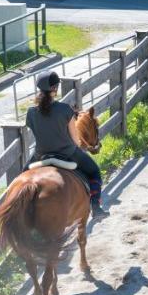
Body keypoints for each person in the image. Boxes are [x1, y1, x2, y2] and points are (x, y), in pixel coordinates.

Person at [26, 71, 106, 215]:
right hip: (67, 153)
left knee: (21, 179)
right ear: (55, 89)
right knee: (94, 172)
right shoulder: (65, 109)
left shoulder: (31, 112)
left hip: (40, 155)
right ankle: (96, 207)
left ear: (39, 89)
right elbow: (76, 139)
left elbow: (36, 131)